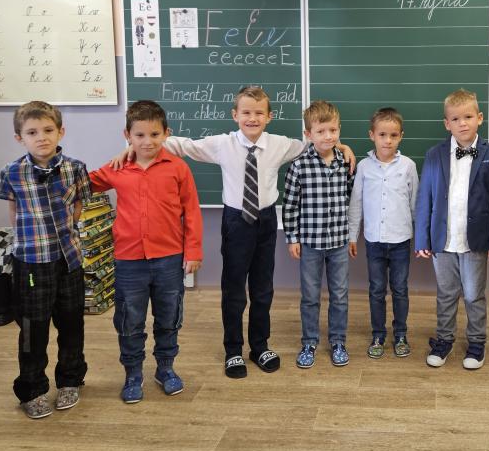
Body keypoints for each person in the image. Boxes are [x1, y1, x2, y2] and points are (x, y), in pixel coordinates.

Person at [110, 86, 355, 379]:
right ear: (235, 115)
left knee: (263, 289)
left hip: (265, 221)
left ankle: (260, 345)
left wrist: (343, 147)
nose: (253, 118)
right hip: (236, 222)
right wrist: (133, 147)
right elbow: (182, 145)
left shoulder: (280, 144)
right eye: (246, 112)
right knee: (234, 289)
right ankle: (233, 350)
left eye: (259, 113)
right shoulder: (222, 144)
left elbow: (317, 142)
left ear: (269, 117)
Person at [90, 100, 203, 404]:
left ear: (167, 133)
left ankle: (165, 368)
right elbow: (83, 184)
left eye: (154, 134)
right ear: (127, 135)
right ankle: (133, 374)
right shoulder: (117, 168)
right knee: (130, 320)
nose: (147, 142)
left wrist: (193, 251)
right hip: (129, 261)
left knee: (169, 316)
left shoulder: (178, 168)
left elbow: (192, 211)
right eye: (139, 135)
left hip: (169, 259)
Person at [0, 101, 93, 419]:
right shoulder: (12, 172)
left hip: (69, 259)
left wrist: (69, 232)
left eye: (48, 130)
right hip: (31, 262)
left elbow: (78, 207)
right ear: (19, 137)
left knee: (71, 323)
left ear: (60, 132)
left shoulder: (75, 168)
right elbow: (13, 211)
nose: (42, 138)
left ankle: (70, 379)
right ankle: (32, 388)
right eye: (32, 132)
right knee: (32, 328)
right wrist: (26, 241)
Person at [415, 89, 489, 370]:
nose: (462, 123)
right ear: (447, 124)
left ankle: (476, 342)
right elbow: (425, 199)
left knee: (474, 294)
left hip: (475, 241)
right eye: (455, 119)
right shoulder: (434, 155)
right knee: (445, 293)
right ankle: (444, 339)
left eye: (468, 117)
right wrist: (422, 238)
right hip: (442, 240)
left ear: (479, 118)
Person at [283, 100, 355, 368]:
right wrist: (292, 238)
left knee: (340, 295)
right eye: (321, 131)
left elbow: (352, 199)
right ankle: (309, 342)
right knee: (310, 296)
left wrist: (351, 234)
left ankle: (338, 341)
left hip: (338, 242)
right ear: (308, 134)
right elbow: (290, 205)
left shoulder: (345, 163)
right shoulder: (299, 166)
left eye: (333, 130)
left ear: (339, 130)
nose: (328, 136)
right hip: (310, 243)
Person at [348, 107, 419, 359]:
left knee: (400, 289)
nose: (387, 140)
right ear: (372, 135)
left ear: (401, 136)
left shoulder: (408, 166)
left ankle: (400, 334)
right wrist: (352, 236)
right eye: (382, 135)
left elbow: (415, 203)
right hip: (374, 241)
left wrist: (420, 238)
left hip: (400, 240)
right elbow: (356, 203)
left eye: (393, 135)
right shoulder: (364, 167)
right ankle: (378, 334)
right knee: (376, 289)